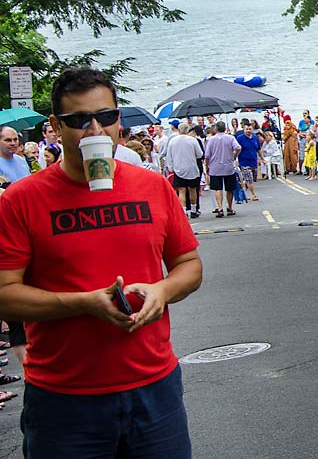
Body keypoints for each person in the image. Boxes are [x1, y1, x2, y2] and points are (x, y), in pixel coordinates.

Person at [0, 66, 202, 455]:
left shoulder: (152, 186)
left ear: (118, 120)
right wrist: (82, 303)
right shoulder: (22, 199)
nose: (96, 130)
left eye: (106, 117)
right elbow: (5, 295)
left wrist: (163, 290)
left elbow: (189, 265)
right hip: (64, 399)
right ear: (56, 127)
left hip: (154, 388)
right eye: (79, 120)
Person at [163, 123, 204, 218]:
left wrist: (171, 167)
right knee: (192, 190)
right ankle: (193, 210)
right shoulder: (193, 140)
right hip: (192, 168)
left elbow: (169, 156)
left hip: (178, 169)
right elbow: (199, 154)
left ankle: (184, 211)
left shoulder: (173, 141)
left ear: (178, 129)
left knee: (181, 191)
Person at [204, 122, 239, 217]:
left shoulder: (211, 140)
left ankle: (219, 208)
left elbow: (207, 155)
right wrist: (234, 156)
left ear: (216, 129)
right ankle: (229, 207)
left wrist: (207, 166)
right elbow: (238, 147)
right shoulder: (230, 138)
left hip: (215, 167)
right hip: (228, 166)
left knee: (217, 188)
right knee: (229, 188)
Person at [235, 123, 263, 201]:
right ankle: (253, 194)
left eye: (250, 129)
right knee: (249, 179)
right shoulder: (240, 138)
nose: (248, 131)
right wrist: (235, 158)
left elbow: (258, 149)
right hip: (244, 161)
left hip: (253, 161)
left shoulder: (255, 138)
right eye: (246, 129)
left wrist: (262, 158)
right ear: (244, 129)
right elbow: (236, 148)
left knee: (251, 178)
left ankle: (244, 191)